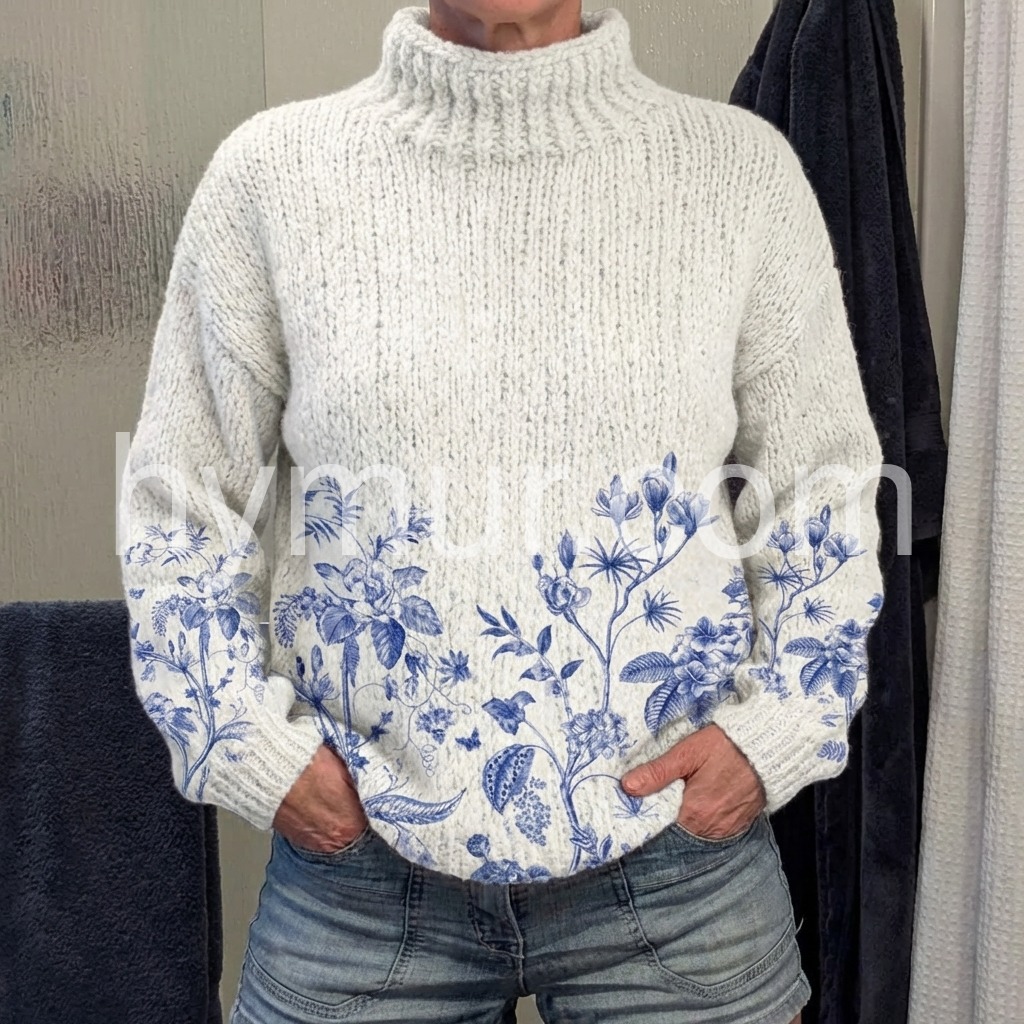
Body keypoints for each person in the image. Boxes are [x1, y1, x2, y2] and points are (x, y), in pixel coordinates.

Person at [117, 2, 886, 1021]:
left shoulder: (738, 174)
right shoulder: (273, 177)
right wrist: (248, 746)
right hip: (362, 876)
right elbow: (180, 504)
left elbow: (821, 490)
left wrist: (777, 730)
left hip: (676, 875)